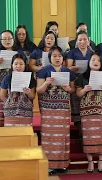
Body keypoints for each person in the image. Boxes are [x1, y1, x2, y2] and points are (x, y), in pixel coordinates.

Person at [36, 46, 76, 175]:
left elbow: (73, 90)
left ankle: (62, 164)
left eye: (59, 56)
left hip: (63, 108)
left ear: (63, 58)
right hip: (48, 108)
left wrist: (68, 89)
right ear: (50, 58)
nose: (57, 58)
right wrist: (46, 83)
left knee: (62, 136)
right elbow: (39, 90)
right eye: (54, 56)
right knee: (49, 136)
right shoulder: (44, 71)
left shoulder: (68, 72)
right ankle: (49, 166)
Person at [76, 53, 102, 173]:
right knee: (88, 135)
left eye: (98, 60)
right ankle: (90, 161)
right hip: (87, 111)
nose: (96, 62)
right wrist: (84, 90)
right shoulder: (82, 77)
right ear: (89, 62)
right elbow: (78, 94)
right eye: (93, 60)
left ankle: (101, 161)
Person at [0, 30, 25, 127]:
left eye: (9, 38)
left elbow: (26, 67)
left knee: (13, 108)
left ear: (13, 39)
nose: (7, 40)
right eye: (4, 39)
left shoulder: (19, 52)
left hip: (15, 85)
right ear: (1, 40)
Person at [0, 53, 36, 126]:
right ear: (12, 65)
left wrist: (28, 92)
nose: (18, 66)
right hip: (10, 112)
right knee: (11, 135)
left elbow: (32, 97)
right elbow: (2, 96)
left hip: (26, 112)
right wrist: (11, 103)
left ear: (25, 65)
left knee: (25, 134)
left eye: (21, 64)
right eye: (16, 64)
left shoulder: (30, 78)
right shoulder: (7, 78)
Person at [66, 31, 94, 125]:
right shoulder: (72, 52)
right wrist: (73, 68)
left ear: (88, 41)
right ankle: (78, 126)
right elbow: (68, 68)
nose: (82, 42)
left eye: (84, 39)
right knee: (76, 102)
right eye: (80, 40)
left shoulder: (92, 53)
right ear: (77, 41)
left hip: (88, 80)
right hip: (76, 79)